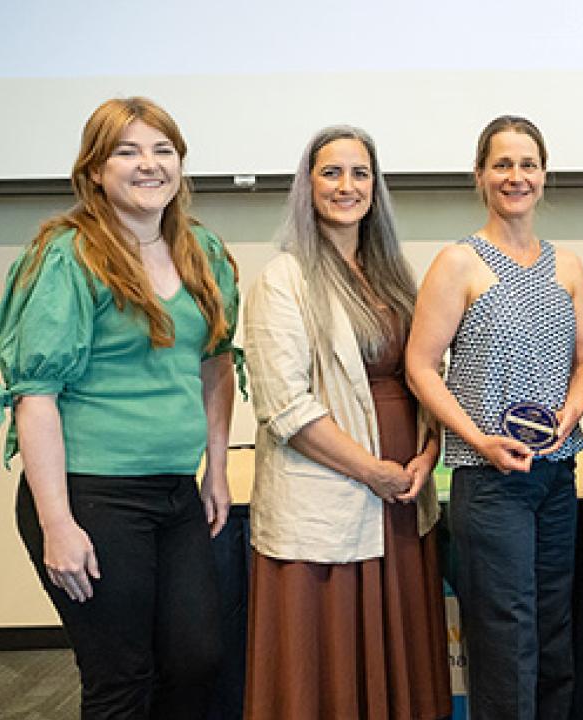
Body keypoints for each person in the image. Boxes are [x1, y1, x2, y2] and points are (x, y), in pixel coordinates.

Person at [0, 97, 239, 718]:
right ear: (95, 170)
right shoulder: (68, 255)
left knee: (197, 660)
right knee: (121, 678)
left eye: (163, 151)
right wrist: (57, 524)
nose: (148, 165)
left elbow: (216, 362)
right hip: (90, 495)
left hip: (174, 494)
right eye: (127, 152)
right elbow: (36, 396)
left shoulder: (201, 252)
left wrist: (215, 469)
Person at [241, 126, 451, 719]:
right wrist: (373, 472)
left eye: (360, 173)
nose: (347, 186)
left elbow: (427, 371)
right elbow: (285, 406)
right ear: (306, 187)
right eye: (331, 172)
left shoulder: (394, 275)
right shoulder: (284, 278)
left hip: (403, 496)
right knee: (327, 671)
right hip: (333, 494)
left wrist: (426, 454)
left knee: (399, 661)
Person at [405, 115, 583, 720]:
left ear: (545, 175)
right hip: (488, 482)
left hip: (555, 477)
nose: (517, 177)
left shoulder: (567, 265)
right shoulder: (458, 262)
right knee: (505, 640)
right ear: (481, 175)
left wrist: (569, 414)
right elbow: (420, 366)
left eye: (528, 165)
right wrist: (478, 440)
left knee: (552, 633)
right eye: (503, 165)